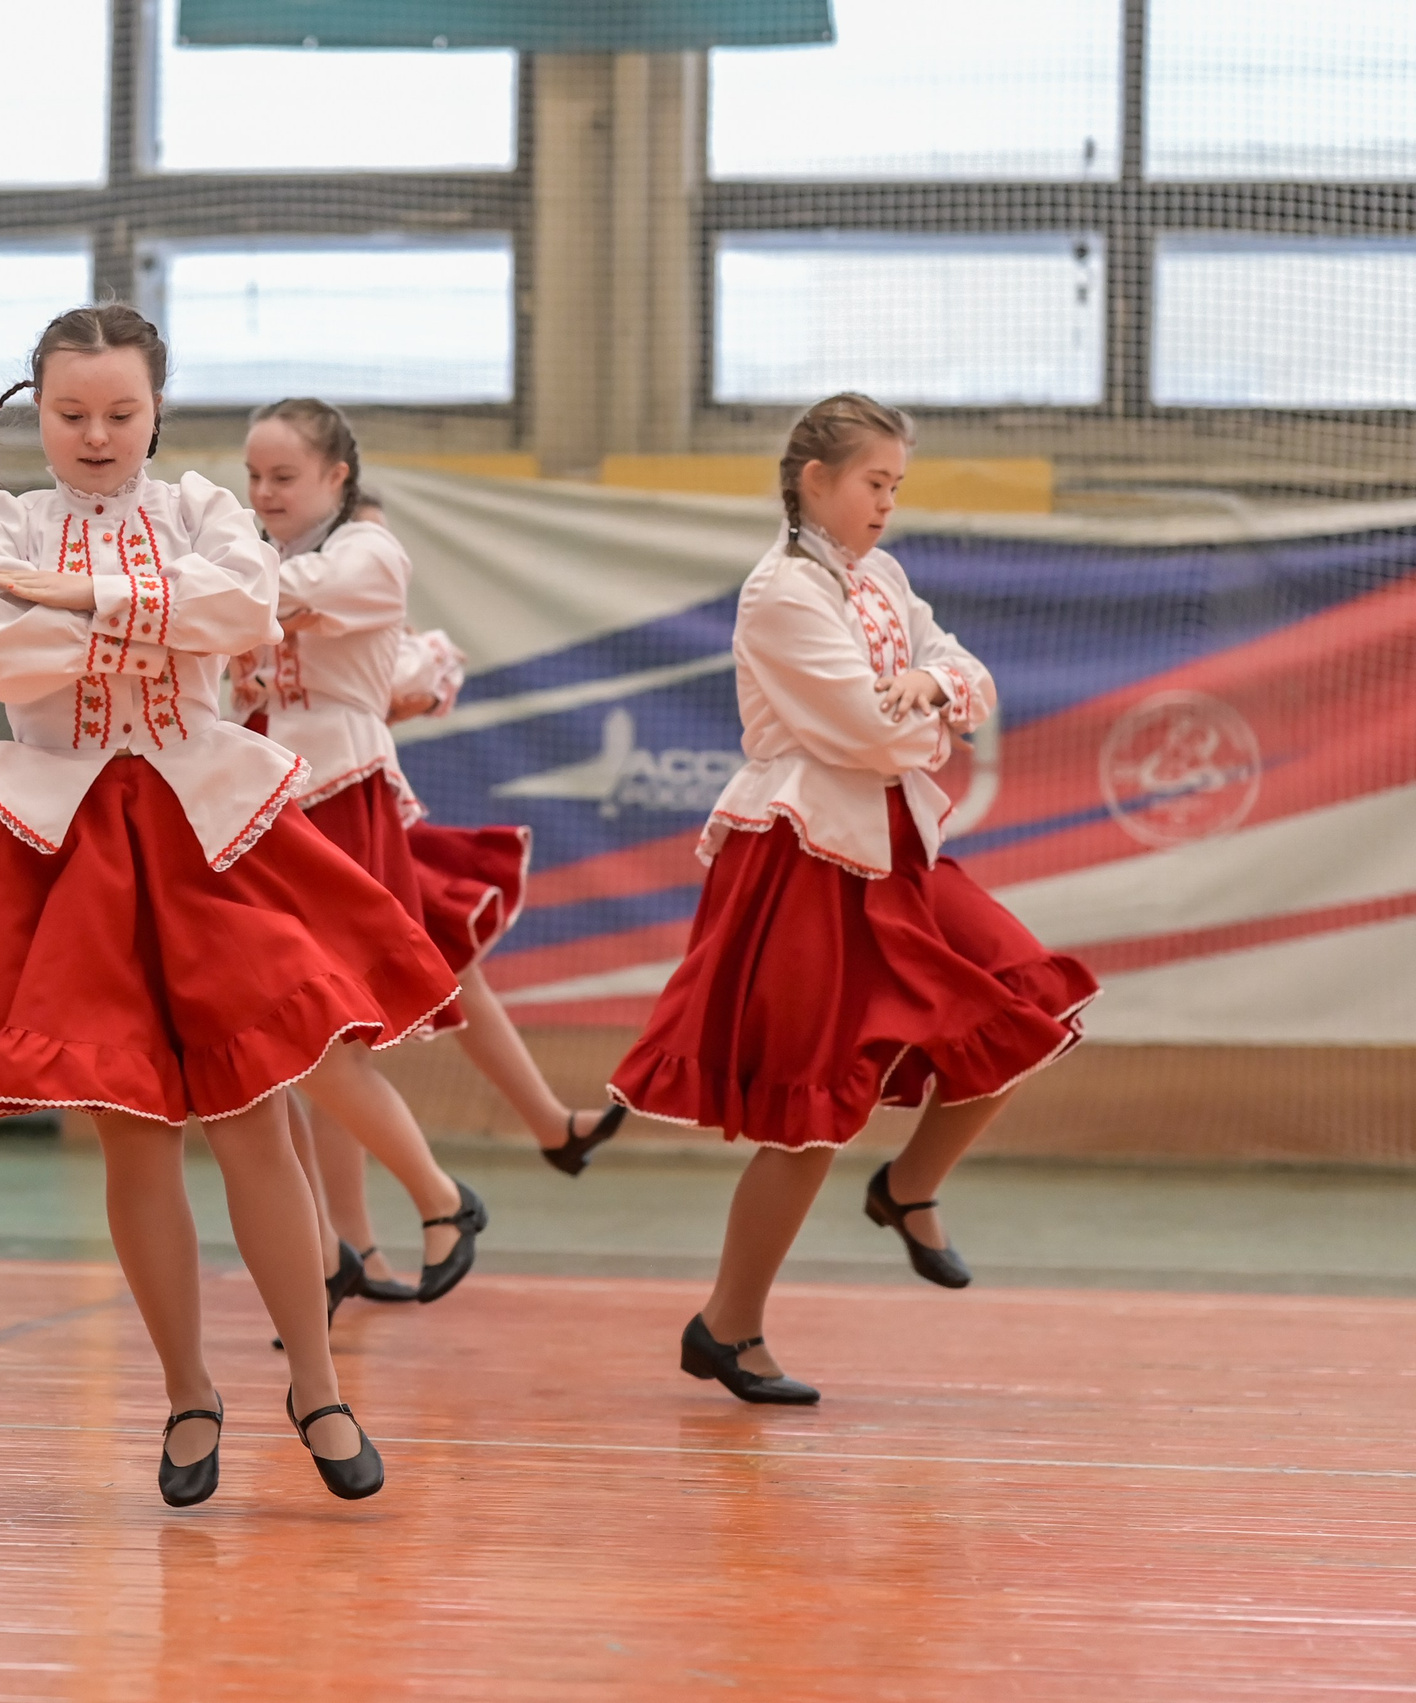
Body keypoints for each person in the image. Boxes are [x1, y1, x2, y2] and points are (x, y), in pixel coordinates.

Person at [0, 307, 464, 1504]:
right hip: (66, 842)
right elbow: (7, 657)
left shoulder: (202, 506)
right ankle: (186, 1389)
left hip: (205, 827)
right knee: (132, 1130)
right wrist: (141, 615)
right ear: (37, 412)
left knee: (253, 1111)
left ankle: (316, 1383)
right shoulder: (1, 523)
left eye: (121, 411)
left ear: (157, 410)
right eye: (70, 413)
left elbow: (242, 609)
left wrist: (81, 597)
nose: (97, 435)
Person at [607, 392, 1098, 1405]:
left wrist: (933, 687)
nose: (886, 503)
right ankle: (727, 1324)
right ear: (815, 480)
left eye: (895, 486)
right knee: (812, 1106)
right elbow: (865, 735)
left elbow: (965, 672)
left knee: (1029, 1002)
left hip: (897, 845)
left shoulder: (881, 576)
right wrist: (928, 707)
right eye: (874, 482)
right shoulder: (780, 593)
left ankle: (908, 1186)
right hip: (806, 857)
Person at [227, 400, 495, 1314]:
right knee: (274, 1043)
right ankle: (336, 1244)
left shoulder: (366, 552)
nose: (264, 492)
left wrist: (202, 588)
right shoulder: (257, 557)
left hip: (337, 798)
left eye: (284, 476)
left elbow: (290, 596)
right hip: (262, 801)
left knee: (310, 1032)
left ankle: (436, 1198)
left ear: (338, 477)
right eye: (253, 476)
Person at [388, 620, 628, 1178]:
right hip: (298, 794)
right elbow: (391, 681)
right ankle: (420, 1207)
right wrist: (422, 656)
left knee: (438, 965)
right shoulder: (294, 579)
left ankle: (546, 1125)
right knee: (339, 1040)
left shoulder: (331, 573)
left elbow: (386, 685)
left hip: (327, 788)